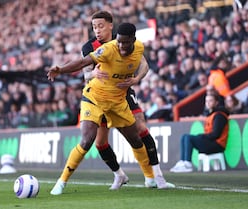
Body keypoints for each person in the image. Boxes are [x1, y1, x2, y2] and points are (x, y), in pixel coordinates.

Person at [47, 23, 166, 195]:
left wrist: (137, 78)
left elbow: (144, 66)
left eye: (124, 43)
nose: (120, 46)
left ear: (133, 40)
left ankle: (150, 178)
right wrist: (61, 69)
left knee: (135, 139)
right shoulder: (109, 49)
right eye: (118, 42)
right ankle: (61, 181)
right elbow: (83, 62)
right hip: (94, 98)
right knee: (87, 140)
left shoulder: (139, 48)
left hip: (118, 102)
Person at [81, 11, 174, 190]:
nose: (97, 30)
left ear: (110, 25)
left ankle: (156, 177)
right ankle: (119, 175)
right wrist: (92, 74)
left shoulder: (123, 40)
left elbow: (144, 64)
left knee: (141, 128)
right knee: (100, 143)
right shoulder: (89, 46)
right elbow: (85, 75)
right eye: (94, 27)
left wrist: (137, 78)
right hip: (100, 97)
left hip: (124, 92)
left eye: (100, 26)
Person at [170, 93, 229, 173]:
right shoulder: (210, 115)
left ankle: (187, 163)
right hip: (211, 142)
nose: (208, 103)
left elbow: (216, 134)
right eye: (206, 101)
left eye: (210, 101)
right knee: (184, 136)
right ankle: (183, 162)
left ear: (216, 102)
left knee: (188, 137)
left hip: (217, 144)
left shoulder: (219, 116)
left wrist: (202, 136)